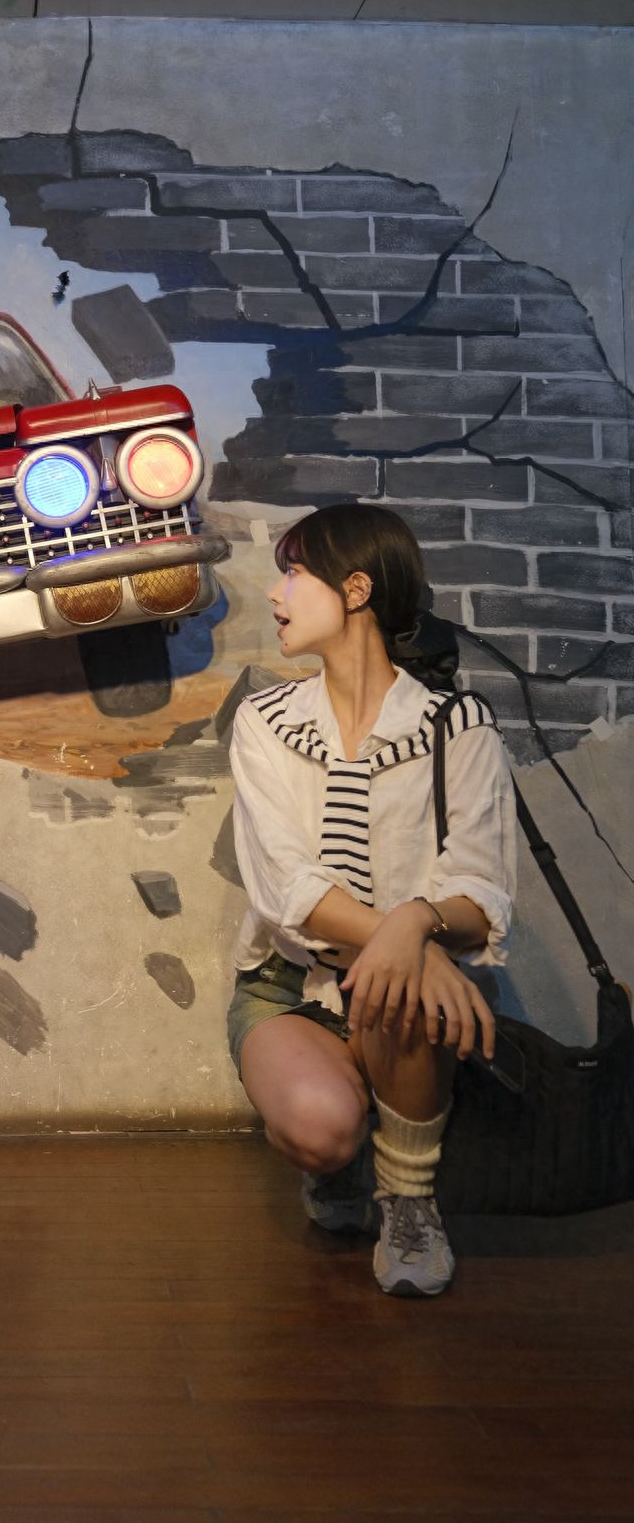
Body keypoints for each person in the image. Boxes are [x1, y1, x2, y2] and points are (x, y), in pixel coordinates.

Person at [225, 504, 516, 1297]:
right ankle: (345, 1166)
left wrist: (417, 927)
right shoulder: (264, 722)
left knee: (401, 973)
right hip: (295, 988)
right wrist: (407, 937)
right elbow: (286, 886)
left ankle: (409, 1202)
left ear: (354, 589)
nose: (277, 594)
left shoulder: (459, 726)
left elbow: (482, 895)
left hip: (405, 999)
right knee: (321, 1129)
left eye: (293, 573)